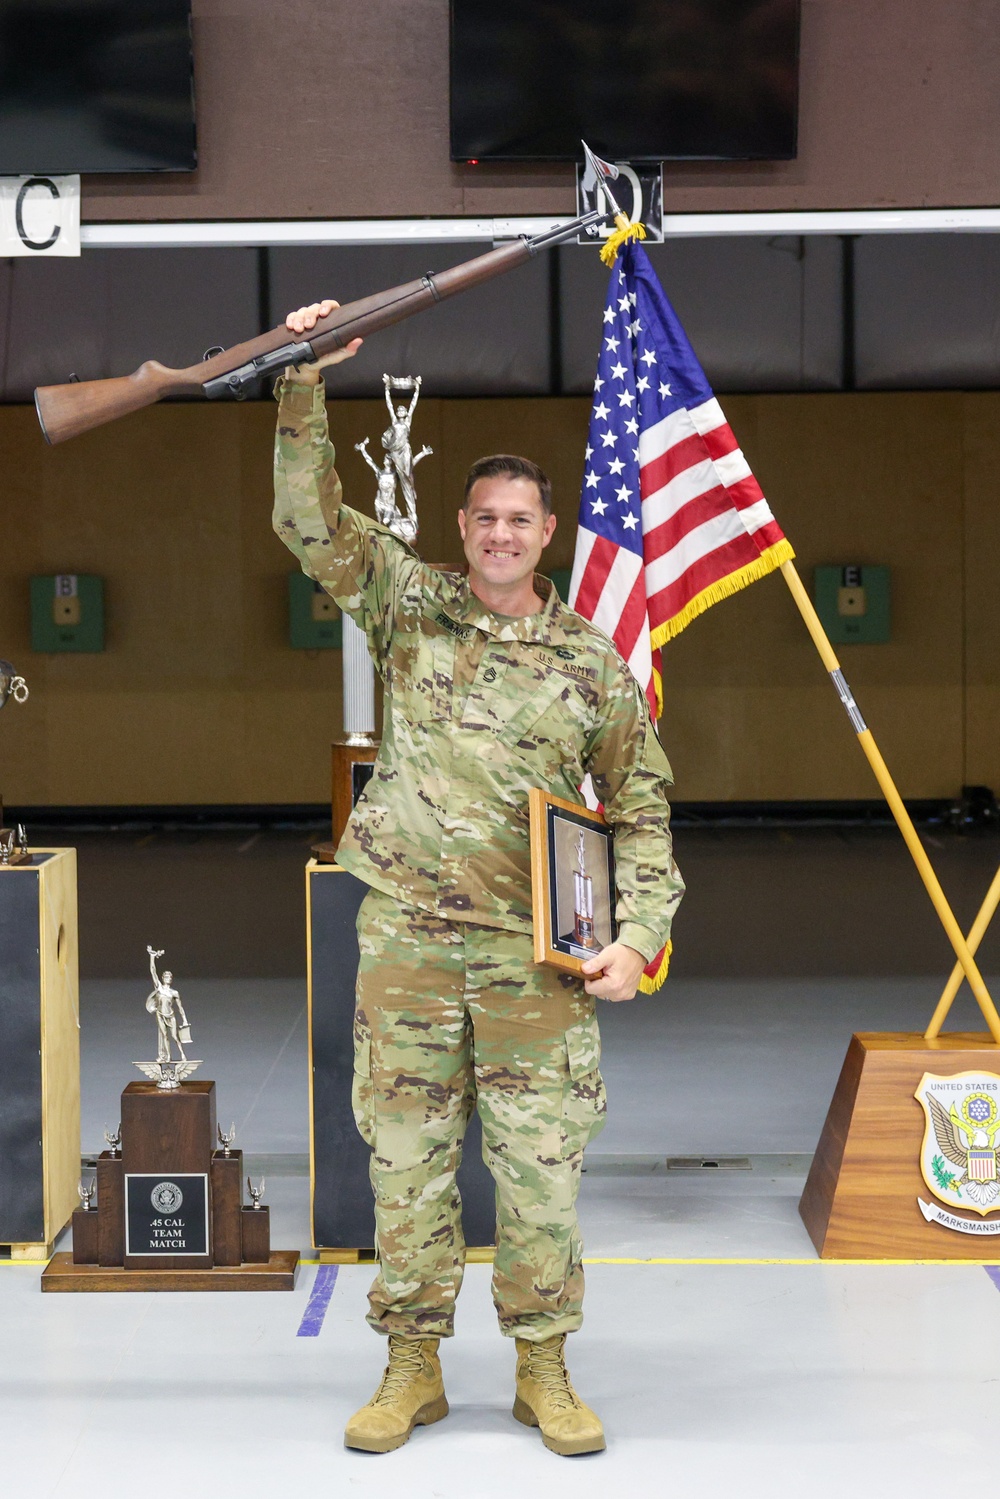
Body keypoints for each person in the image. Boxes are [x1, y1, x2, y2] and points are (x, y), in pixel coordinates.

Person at [272, 301, 684, 1457]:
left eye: (520, 519)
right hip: (405, 937)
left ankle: (544, 1369)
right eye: (484, 517)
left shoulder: (590, 665)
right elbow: (308, 523)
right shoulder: (411, 606)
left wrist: (637, 934)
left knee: (538, 1167)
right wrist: (302, 383)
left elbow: (643, 808)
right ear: (462, 524)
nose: (500, 534)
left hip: (532, 955)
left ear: (547, 531)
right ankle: (411, 1366)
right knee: (402, 1158)